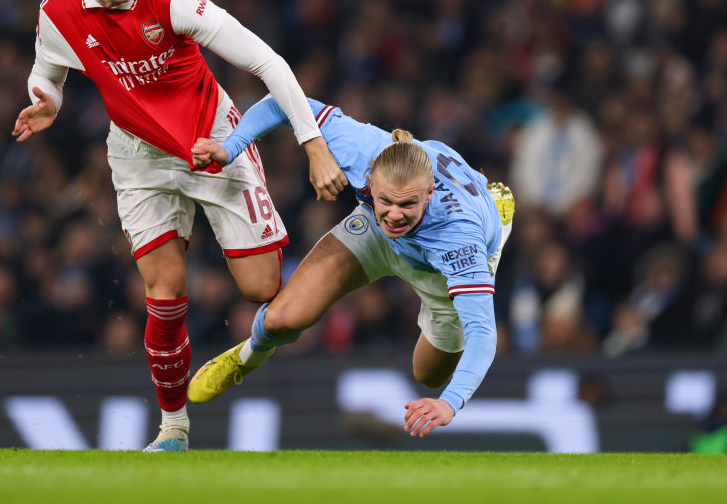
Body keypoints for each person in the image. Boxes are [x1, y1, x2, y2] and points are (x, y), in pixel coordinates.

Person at [11, 0, 346, 452]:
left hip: (212, 140)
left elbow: (268, 62)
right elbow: (47, 66)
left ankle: (344, 262)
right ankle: (174, 429)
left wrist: (313, 145)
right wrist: (45, 100)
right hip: (138, 154)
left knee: (262, 288)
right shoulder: (59, 11)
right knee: (163, 295)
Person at [188, 95, 514, 438]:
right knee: (282, 320)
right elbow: (280, 102)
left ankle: (497, 214)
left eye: (407, 204)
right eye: (386, 199)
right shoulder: (361, 148)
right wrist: (232, 146)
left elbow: (483, 334)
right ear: (371, 180)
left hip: (437, 267)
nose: (395, 214)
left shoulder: (459, 239)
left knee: (428, 374)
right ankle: (244, 357)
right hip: (373, 233)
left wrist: (449, 402)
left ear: (429, 193)